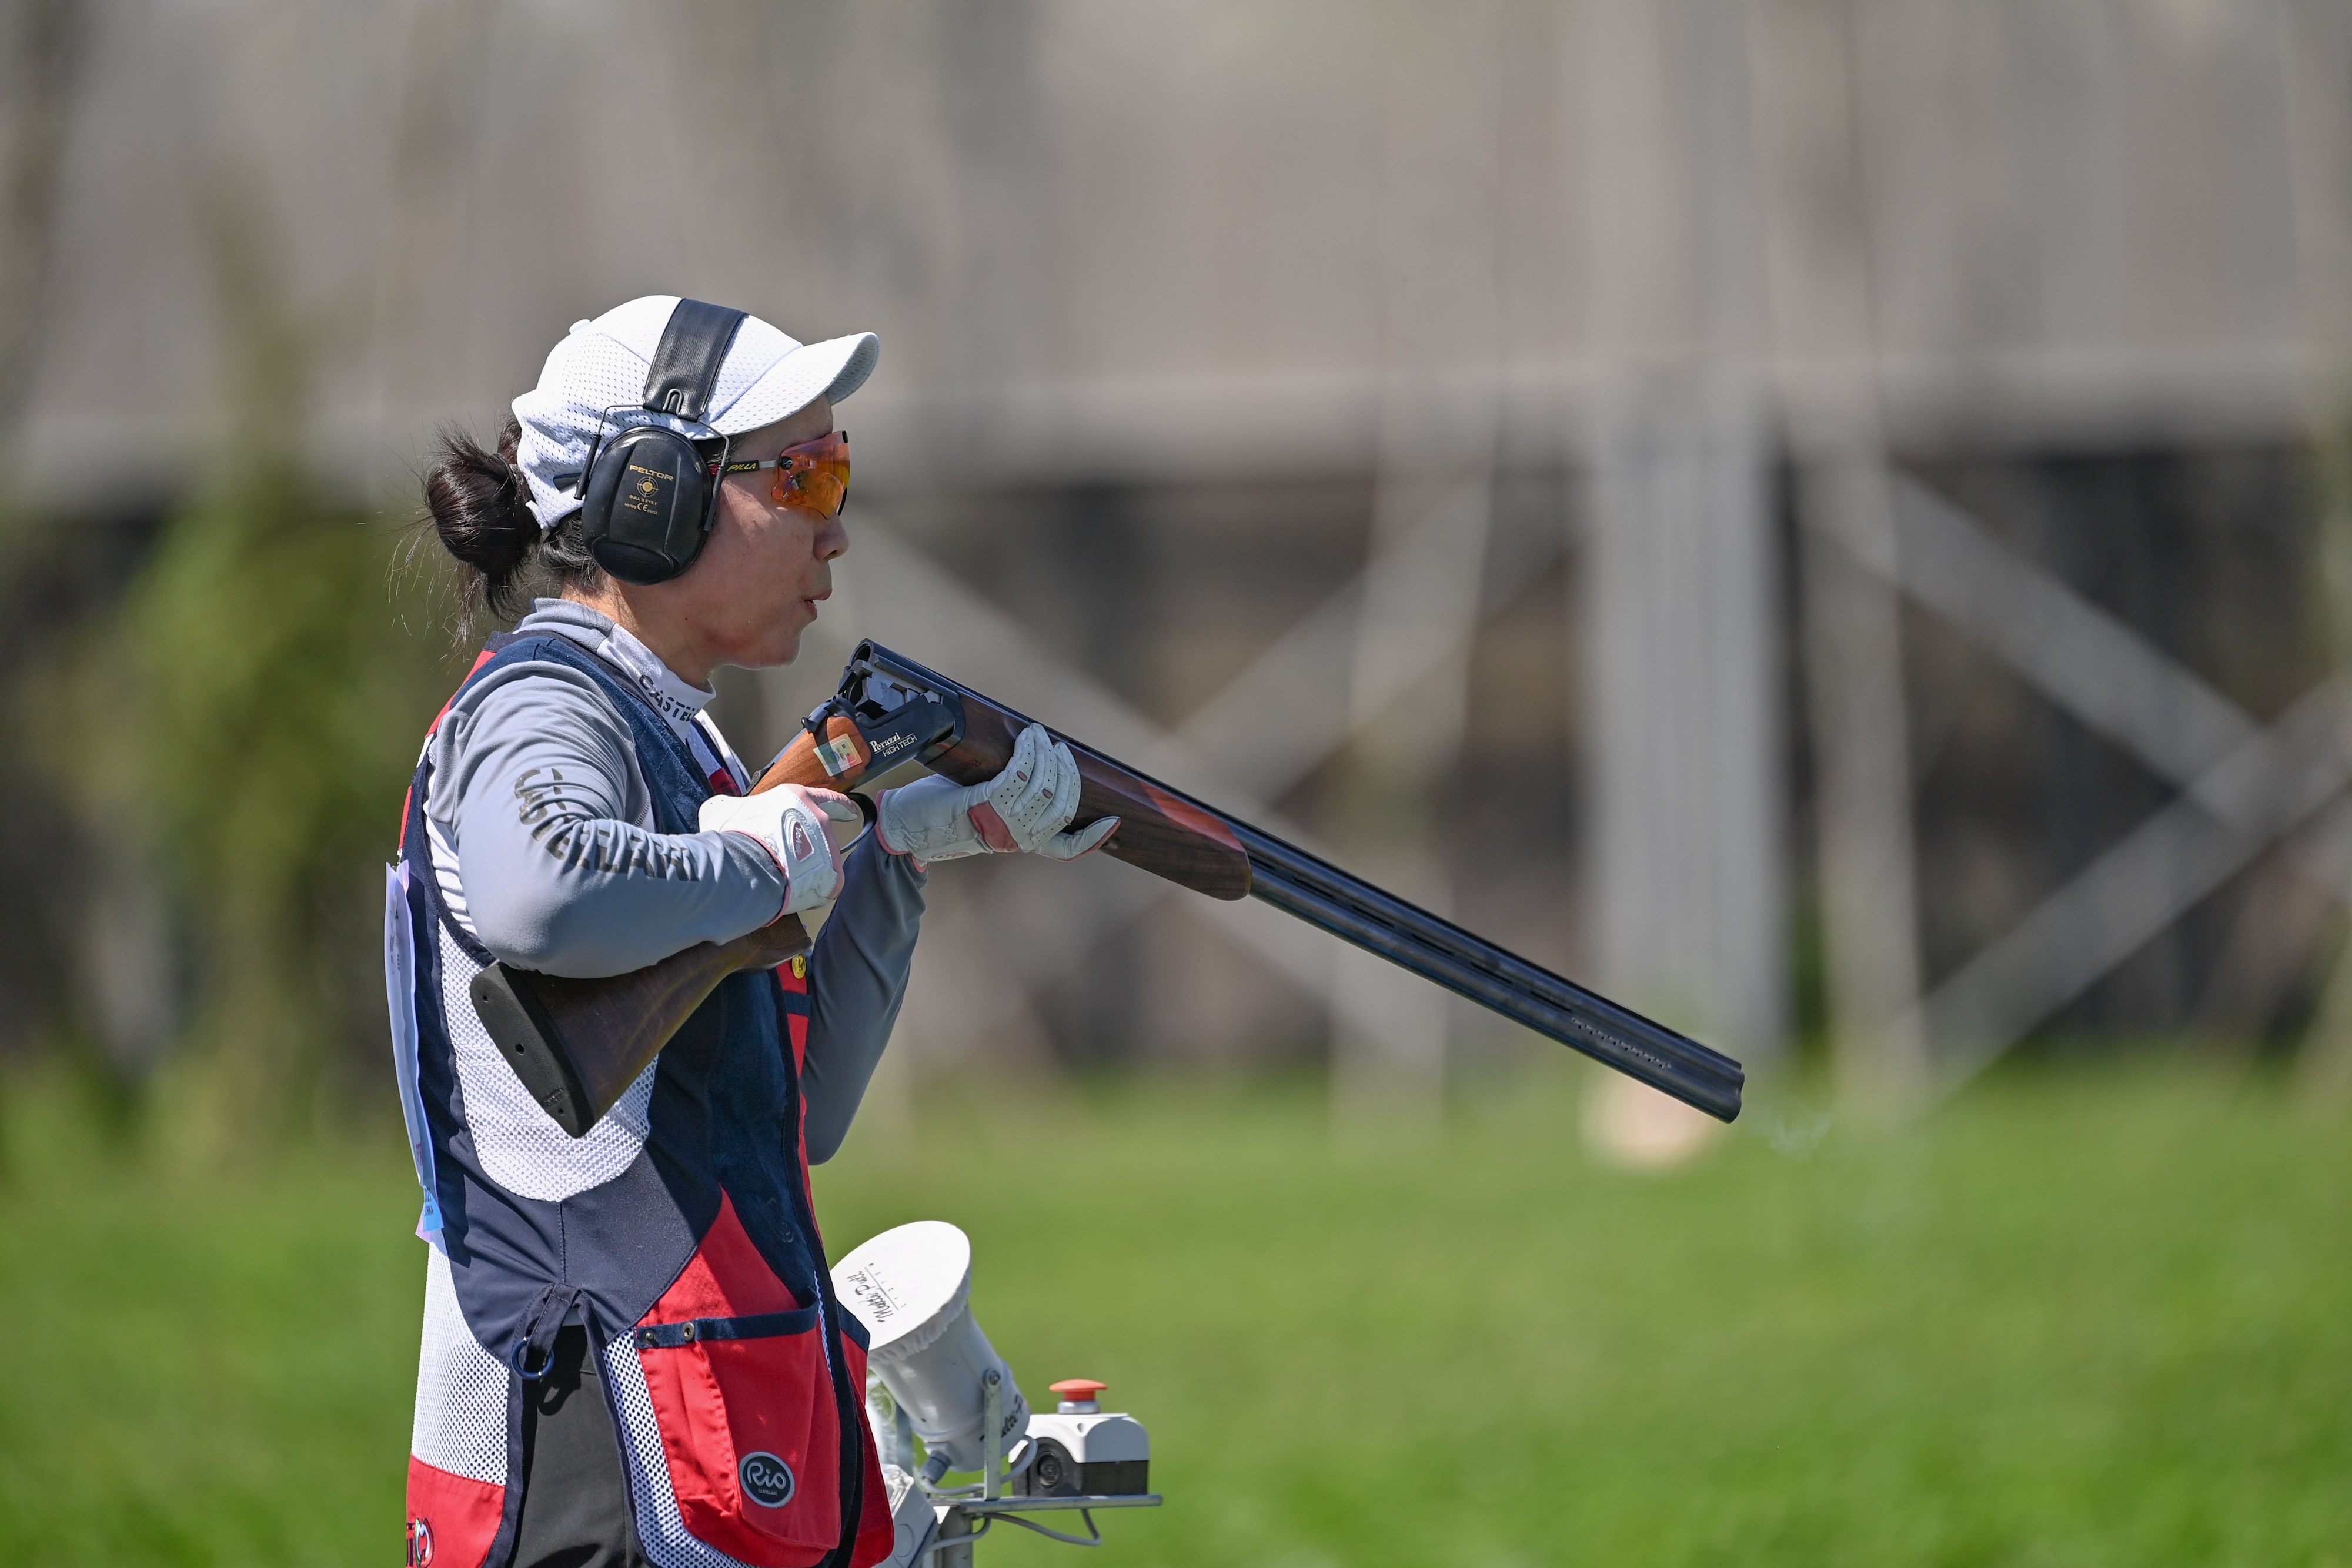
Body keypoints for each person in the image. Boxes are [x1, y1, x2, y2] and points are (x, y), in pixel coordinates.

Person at [389, 296, 1112, 1568]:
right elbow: (537, 891)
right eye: (804, 472)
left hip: (717, 1420)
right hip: (594, 1440)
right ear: (651, 496)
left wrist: (894, 852)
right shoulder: (547, 701)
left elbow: (797, 1111)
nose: (834, 523)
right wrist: (755, 853)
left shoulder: (684, 742)